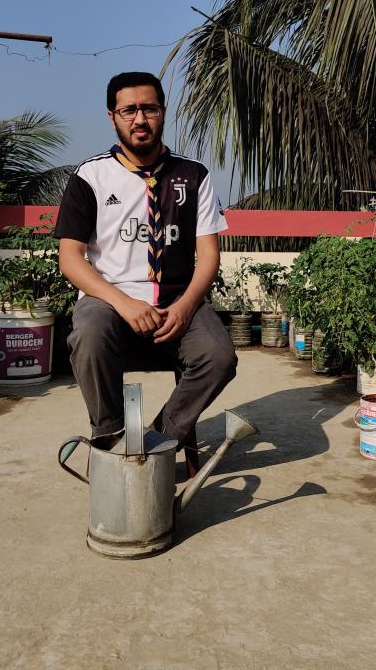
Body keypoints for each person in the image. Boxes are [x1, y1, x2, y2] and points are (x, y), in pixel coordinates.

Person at [55, 71, 237, 472]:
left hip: (176, 301)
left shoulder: (194, 176)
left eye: (149, 108)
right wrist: (123, 302)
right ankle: (111, 437)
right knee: (87, 330)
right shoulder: (90, 177)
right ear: (113, 117)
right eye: (129, 110)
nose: (140, 119)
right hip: (110, 302)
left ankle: (157, 437)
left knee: (218, 355)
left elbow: (208, 256)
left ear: (163, 112)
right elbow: (70, 259)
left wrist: (187, 306)